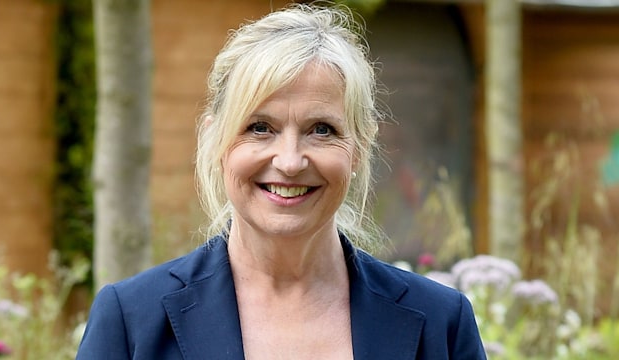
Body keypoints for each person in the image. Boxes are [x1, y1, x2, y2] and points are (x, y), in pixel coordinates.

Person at [76, 3, 486, 359]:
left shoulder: (441, 323)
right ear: (217, 140)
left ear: (360, 147)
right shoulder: (131, 321)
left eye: (322, 129)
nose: (290, 162)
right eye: (259, 127)